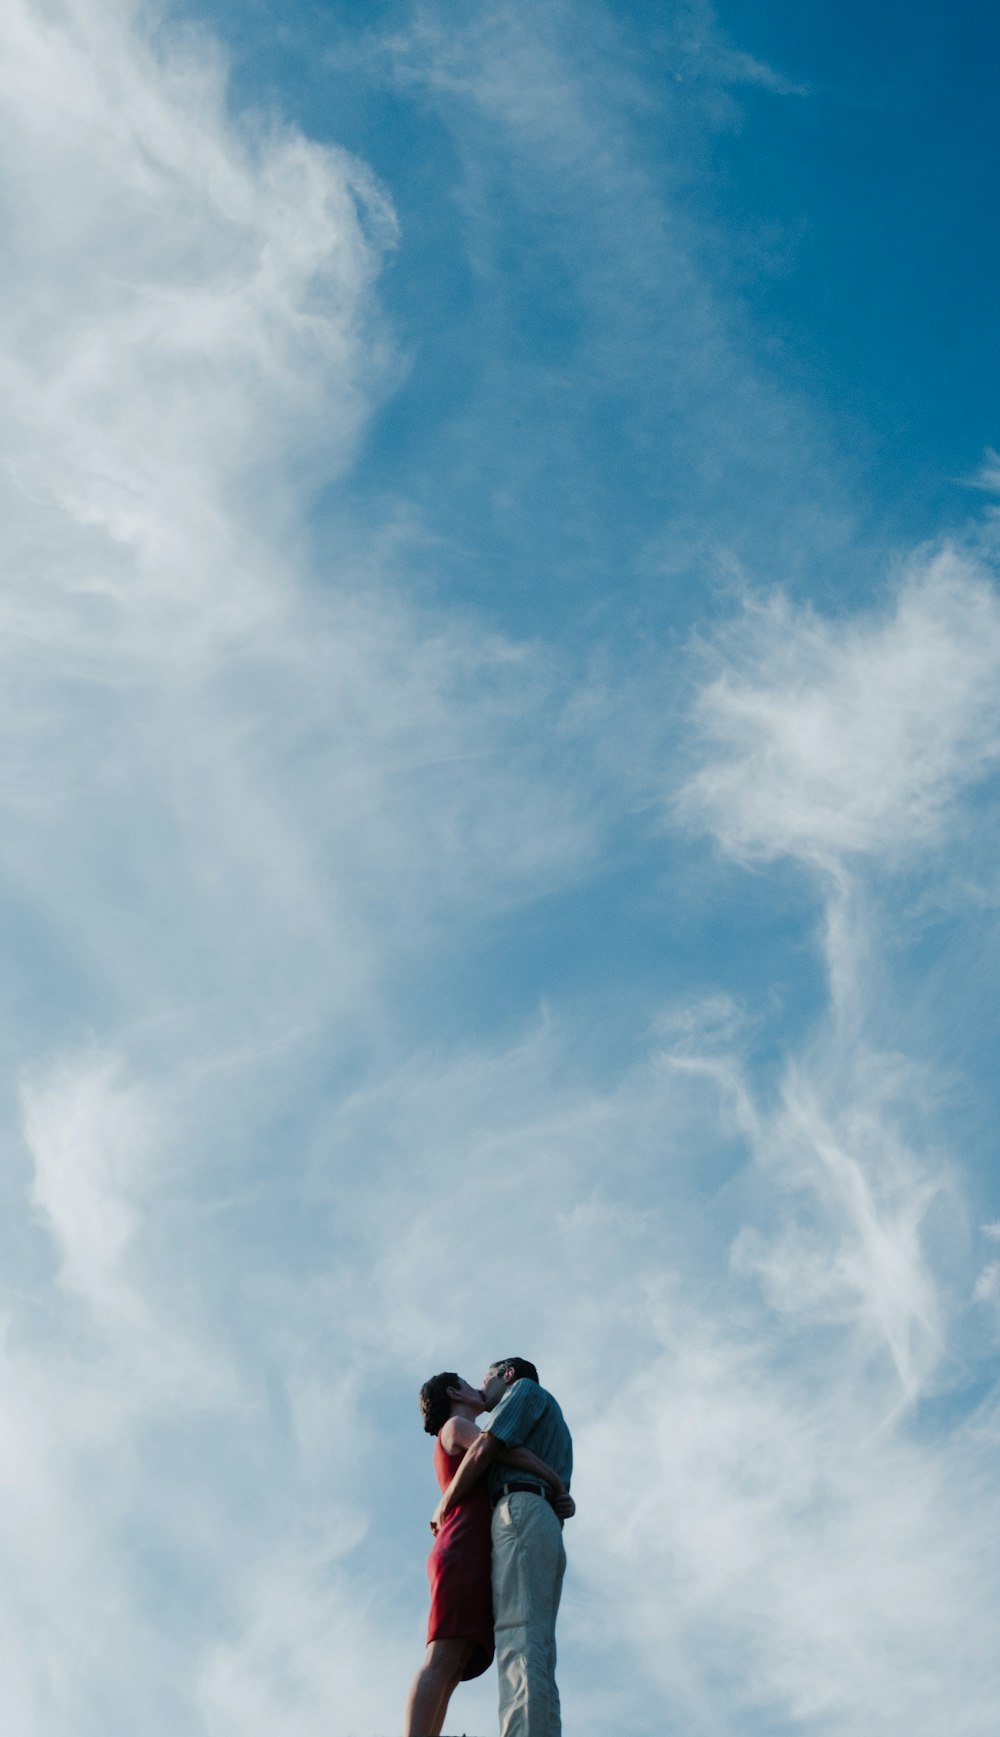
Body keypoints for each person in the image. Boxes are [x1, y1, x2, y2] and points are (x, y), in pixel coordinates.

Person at [404, 1371, 572, 1737]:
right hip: (461, 1544)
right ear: (453, 1392)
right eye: (469, 1383)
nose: (479, 1389)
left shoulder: (459, 1428)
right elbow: (500, 1446)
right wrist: (553, 1477)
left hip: (475, 1548)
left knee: (457, 1657)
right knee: (443, 1655)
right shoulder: (455, 1426)